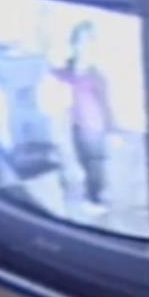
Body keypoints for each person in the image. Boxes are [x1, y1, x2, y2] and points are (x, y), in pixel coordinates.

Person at [53, 21, 116, 217]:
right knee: (82, 160)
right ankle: (97, 191)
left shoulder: (96, 75)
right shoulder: (68, 70)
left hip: (94, 126)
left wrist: (111, 129)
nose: (85, 48)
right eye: (81, 42)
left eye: (90, 43)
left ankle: (95, 199)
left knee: (93, 164)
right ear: (74, 45)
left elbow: (105, 104)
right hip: (76, 124)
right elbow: (57, 78)